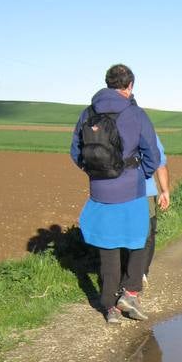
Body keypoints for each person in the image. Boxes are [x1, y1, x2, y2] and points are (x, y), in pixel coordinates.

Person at [70, 64, 160, 324]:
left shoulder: (88, 112)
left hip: (100, 190)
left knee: (108, 247)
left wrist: (97, 173)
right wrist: (141, 174)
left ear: (107, 83)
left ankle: (109, 307)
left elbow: (76, 152)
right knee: (139, 240)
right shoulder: (136, 113)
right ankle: (130, 293)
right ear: (130, 85)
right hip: (131, 188)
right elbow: (152, 154)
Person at [143, 134, 171, 287]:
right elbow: (160, 163)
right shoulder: (145, 130)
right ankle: (140, 274)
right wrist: (165, 191)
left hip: (113, 194)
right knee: (147, 235)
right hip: (144, 192)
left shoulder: (107, 127)